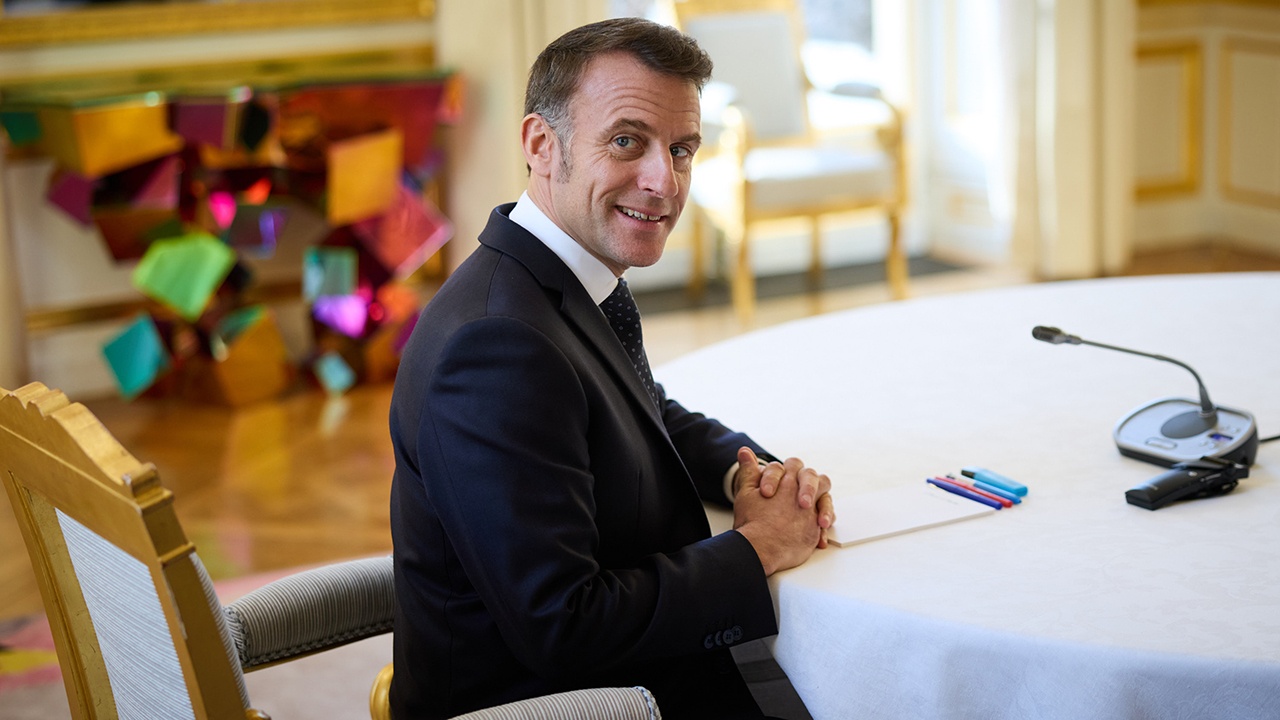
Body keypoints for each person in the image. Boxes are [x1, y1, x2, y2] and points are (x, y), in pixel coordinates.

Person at [389, 17, 836, 720]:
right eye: (628, 141)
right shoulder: (497, 346)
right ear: (542, 145)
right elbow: (564, 626)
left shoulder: (555, 278)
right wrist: (755, 549)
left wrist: (752, 473)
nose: (664, 181)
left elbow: (640, 407)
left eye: (681, 149)